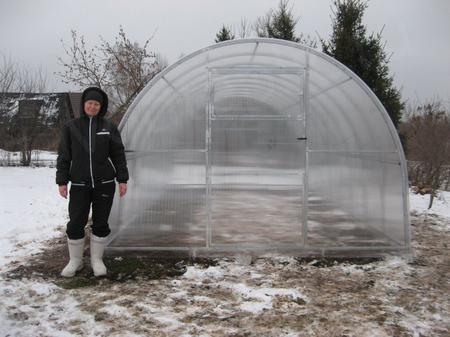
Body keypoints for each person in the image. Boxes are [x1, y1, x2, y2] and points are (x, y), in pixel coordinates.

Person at [56, 87, 129, 277]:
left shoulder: (108, 127)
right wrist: (62, 181)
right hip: (79, 184)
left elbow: (118, 154)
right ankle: (76, 261)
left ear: (101, 106)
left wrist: (122, 179)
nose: (93, 107)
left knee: (101, 223)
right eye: (90, 103)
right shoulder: (71, 127)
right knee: (76, 222)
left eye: (97, 104)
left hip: (104, 183)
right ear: (84, 104)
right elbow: (64, 156)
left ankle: (97, 260)